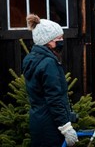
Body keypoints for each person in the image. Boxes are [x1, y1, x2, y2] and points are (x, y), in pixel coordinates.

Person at [22, 14, 78, 147]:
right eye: (58, 38)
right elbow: (54, 98)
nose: (61, 41)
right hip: (51, 126)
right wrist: (66, 128)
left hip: (39, 122)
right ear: (47, 41)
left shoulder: (32, 60)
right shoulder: (48, 63)